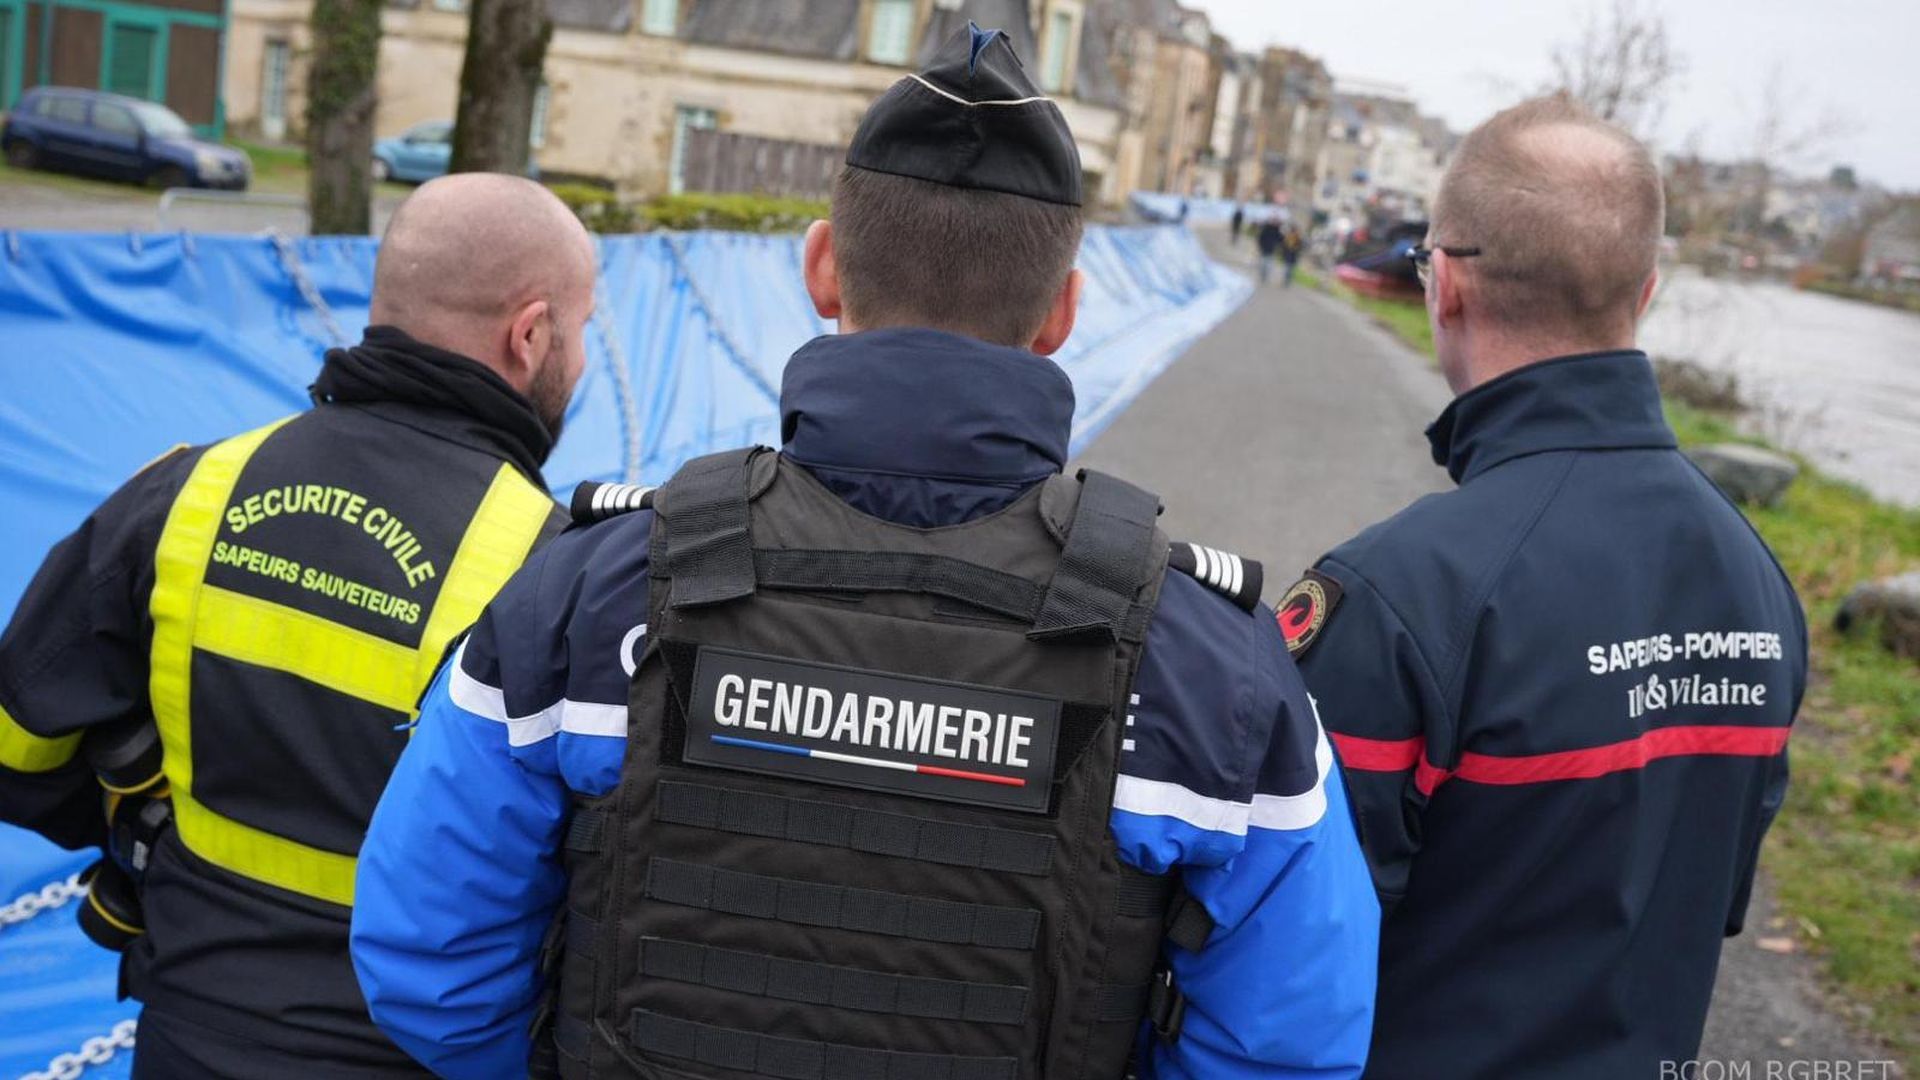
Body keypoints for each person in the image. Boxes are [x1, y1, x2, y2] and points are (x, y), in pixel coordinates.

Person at [351, 24, 1378, 1080]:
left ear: (822, 269)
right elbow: (1290, 1046)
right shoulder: (1218, 668)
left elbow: (429, 963)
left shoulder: (585, 592)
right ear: (1064, 312)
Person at [0, 173, 595, 1078]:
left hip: (189, 1032)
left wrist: (145, 819)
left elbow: (19, 746)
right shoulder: (553, 570)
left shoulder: (190, 494)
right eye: (582, 331)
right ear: (532, 334)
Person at [1282, 94, 1806, 1080]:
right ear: (1642, 294)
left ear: (1443, 285)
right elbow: (1706, 898)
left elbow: (1291, 946)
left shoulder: (1395, 595)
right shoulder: (1757, 579)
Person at [1255, 215, 1282, 285]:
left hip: (1272, 250)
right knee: (1263, 263)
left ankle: (1265, 276)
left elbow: (1281, 240)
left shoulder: (1278, 231)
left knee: (1269, 264)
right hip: (1264, 248)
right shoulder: (1266, 229)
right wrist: (1260, 245)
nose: (1275, 223)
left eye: (1276, 221)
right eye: (1274, 221)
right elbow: (1261, 237)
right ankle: (1262, 275)